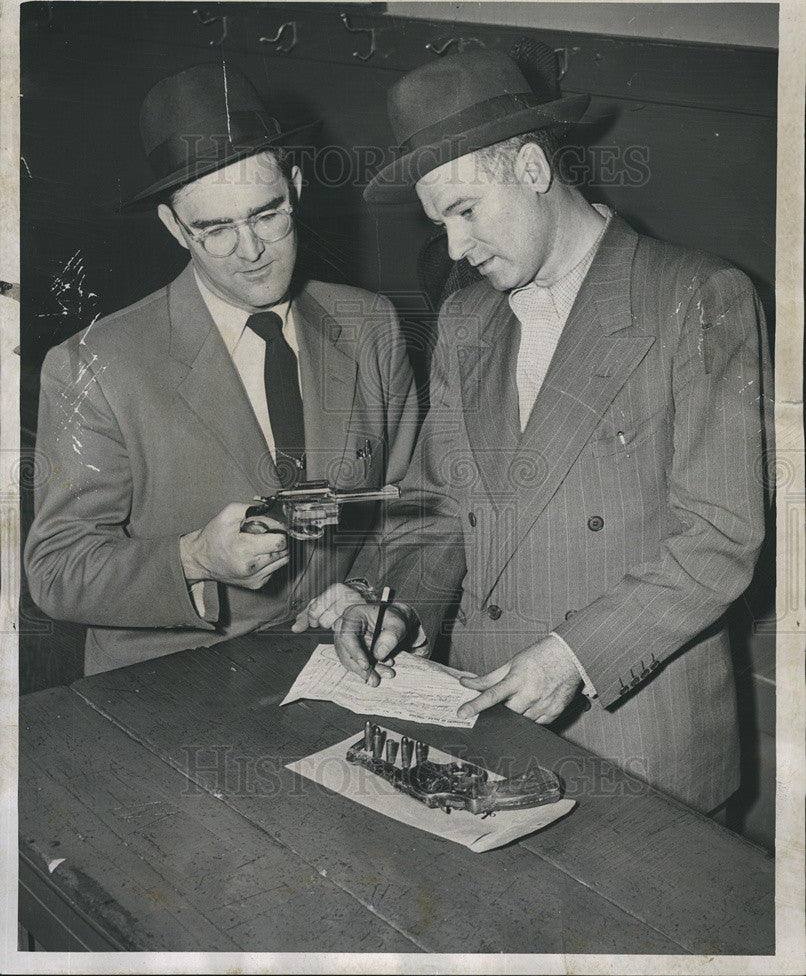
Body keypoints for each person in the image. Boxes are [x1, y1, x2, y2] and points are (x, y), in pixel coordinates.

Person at [293, 49, 774, 813]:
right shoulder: (464, 317)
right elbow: (441, 505)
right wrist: (398, 609)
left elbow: (719, 536)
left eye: (465, 211)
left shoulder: (695, 298)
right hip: (489, 719)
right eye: (438, 222)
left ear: (530, 167)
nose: (454, 249)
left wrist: (575, 656)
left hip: (633, 735)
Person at [25, 63, 419, 674]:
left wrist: (365, 591)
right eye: (215, 229)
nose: (251, 249)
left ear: (295, 185)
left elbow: (409, 504)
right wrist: (192, 559)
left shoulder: (371, 326)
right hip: (168, 686)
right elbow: (56, 571)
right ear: (174, 227)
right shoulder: (94, 366)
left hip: (337, 665)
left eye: (268, 214)